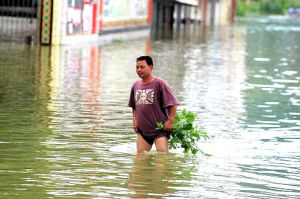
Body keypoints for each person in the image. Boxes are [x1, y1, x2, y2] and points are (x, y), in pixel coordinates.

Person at [128, 56, 178, 153]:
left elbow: (173, 103)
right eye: (137, 67)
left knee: (162, 161)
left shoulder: (160, 83)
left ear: (150, 67)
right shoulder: (136, 85)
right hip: (142, 130)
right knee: (140, 163)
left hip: (160, 130)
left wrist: (171, 121)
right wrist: (135, 120)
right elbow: (134, 106)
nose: (139, 70)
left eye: (142, 67)